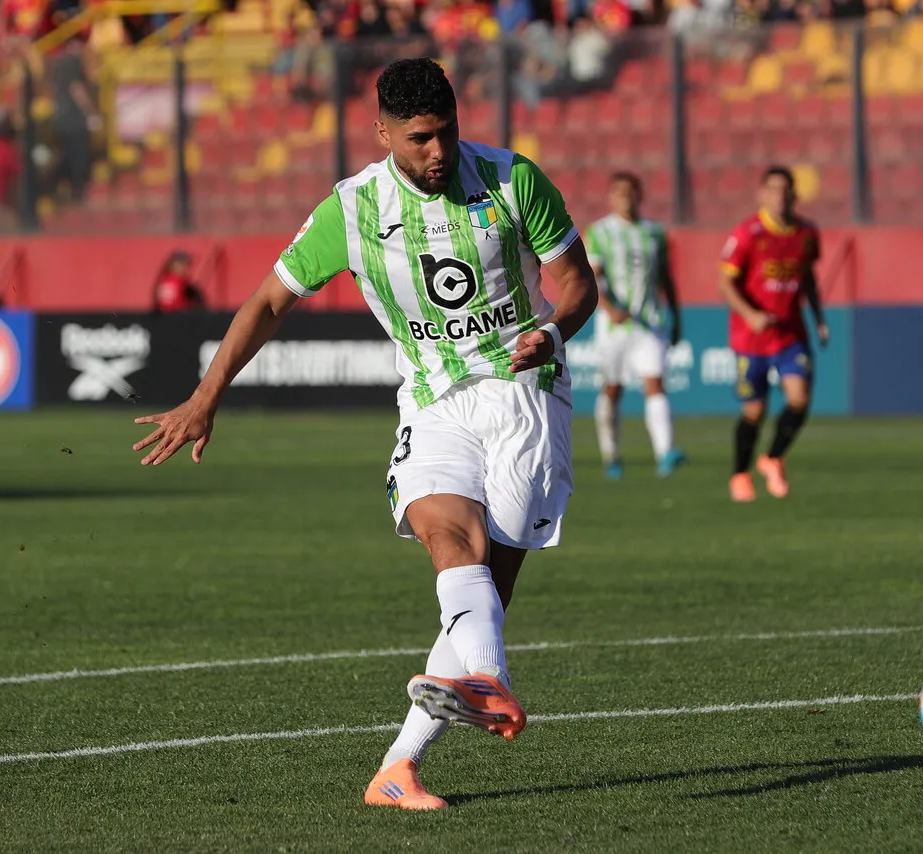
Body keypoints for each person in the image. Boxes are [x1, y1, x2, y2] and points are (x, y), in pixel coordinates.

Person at [130, 57, 598, 810]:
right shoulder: (351, 211)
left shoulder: (514, 181)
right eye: (418, 139)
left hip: (525, 394)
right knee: (454, 546)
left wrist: (551, 329)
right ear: (382, 133)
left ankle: (398, 767)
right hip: (432, 400)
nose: (437, 152)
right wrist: (206, 394)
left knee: (486, 590)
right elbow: (268, 303)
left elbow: (577, 282)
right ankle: (491, 682)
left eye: (445, 133)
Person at [719, 166, 827, 502]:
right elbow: (726, 282)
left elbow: (807, 278)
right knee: (754, 411)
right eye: (774, 189)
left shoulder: (807, 233)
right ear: (762, 195)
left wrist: (819, 318)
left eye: (786, 189)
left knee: (800, 399)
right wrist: (750, 314)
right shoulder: (747, 234)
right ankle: (740, 474)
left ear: (795, 195)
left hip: (790, 332)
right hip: (751, 338)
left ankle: (773, 458)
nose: (780, 196)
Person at [586, 171, 684, 479]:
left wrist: (677, 316)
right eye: (619, 192)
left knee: (655, 383)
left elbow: (666, 277)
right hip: (614, 326)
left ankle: (665, 453)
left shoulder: (654, 232)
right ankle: (611, 454)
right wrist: (608, 307)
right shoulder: (600, 232)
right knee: (612, 389)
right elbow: (593, 277)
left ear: (640, 196)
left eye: (631, 191)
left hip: (650, 322)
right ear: (610, 197)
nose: (625, 197)